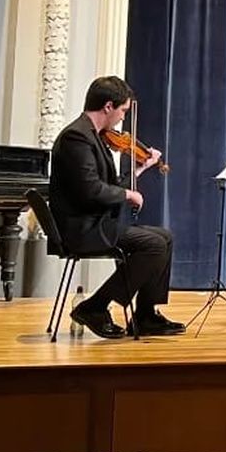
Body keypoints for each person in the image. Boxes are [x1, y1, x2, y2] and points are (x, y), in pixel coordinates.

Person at [49, 75, 182, 339]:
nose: (123, 118)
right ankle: (95, 307)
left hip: (96, 222)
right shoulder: (77, 137)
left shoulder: (94, 137)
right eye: (122, 111)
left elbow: (106, 186)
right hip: (83, 228)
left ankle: (145, 315)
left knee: (165, 237)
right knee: (153, 245)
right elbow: (90, 190)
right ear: (108, 106)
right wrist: (128, 194)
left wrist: (140, 169)